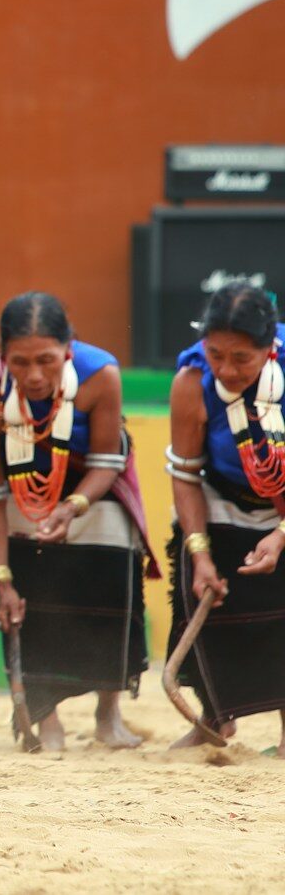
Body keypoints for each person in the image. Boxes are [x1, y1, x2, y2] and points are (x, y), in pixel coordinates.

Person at [0, 292, 150, 751]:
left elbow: (108, 461)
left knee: (110, 591)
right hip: (19, 501)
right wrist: (2, 580)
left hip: (94, 494)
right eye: (20, 362)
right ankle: (45, 719)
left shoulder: (100, 375)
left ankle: (109, 716)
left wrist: (72, 507)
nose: (33, 375)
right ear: (2, 356)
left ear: (68, 351)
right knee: (31, 601)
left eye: (47, 361)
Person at [166, 282, 285, 752]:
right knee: (202, 605)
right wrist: (200, 554)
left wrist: (280, 536)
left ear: (270, 347)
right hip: (220, 500)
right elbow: (185, 474)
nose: (225, 369)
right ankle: (215, 717)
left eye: (241, 358)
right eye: (215, 354)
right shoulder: (191, 381)